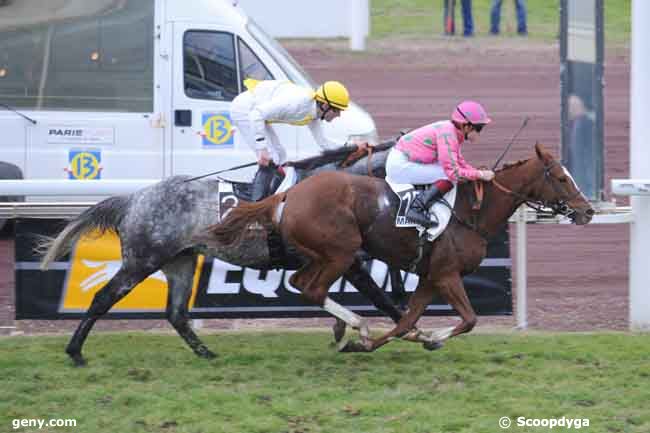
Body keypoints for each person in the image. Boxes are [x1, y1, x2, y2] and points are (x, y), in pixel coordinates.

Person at [231, 79, 360, 201]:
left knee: (281, 155)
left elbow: (324, 144)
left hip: (256, 111)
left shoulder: (314, 113)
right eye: (337, 110)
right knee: (273, 156)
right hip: (245, 110)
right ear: (325, 105)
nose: (338, 115)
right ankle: (256, 204)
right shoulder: (298, 103)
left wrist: (352, 147)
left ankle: (269, 198)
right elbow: (256, 114)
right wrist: (262, 149)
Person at [385, 101, 495, 228]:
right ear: (466, 126)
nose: (479, 133)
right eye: (479, 128)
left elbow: (459, 161)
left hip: (407, 160)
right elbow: (453, 173)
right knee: (447, 176)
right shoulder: (448, 135)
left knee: (446, 172)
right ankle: (416, 208)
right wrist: (480, 174)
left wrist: (477, 173)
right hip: (400, 166)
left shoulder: (452, 132)